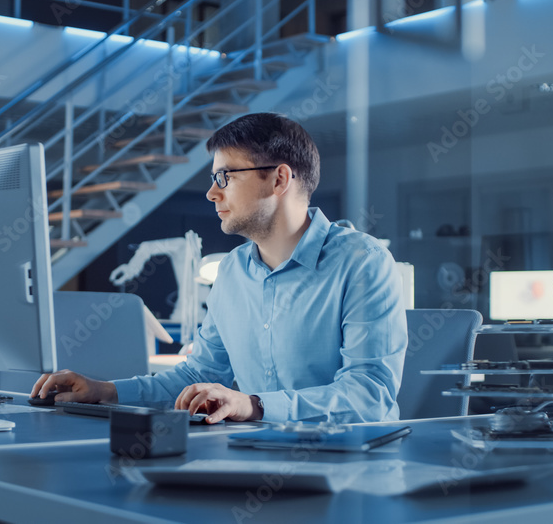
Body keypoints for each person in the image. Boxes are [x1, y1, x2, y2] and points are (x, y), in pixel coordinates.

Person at [32, 112, 407, 424]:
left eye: (225, 177)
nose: (213, 193)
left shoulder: (362, 262)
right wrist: (105, 391)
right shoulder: (232, 271)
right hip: (254, 456)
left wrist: (254, 405)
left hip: (352, 465)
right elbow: (200, 375)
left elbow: (369, 394)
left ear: (279, 179)